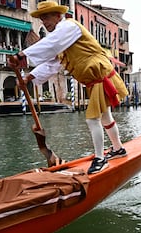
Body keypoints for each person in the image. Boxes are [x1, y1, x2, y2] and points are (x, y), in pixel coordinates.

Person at [7, 1, 128, 174]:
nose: (44, 22)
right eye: (41, 18)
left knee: (92, 119)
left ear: (58, 15)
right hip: (96, 79)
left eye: (47, 17)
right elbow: (52, 64)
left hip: (100, 75)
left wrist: (22, 55)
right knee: (105, 117)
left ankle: (100, 159)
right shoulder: (62, 40)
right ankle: (118, 149)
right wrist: (28, 77)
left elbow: (51, 45)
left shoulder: (69, 27)